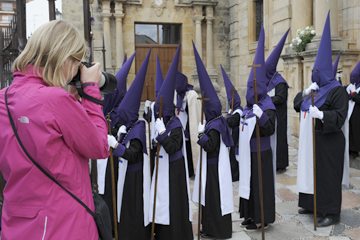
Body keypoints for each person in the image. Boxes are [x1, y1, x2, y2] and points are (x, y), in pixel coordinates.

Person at [0, 20, 109, 239]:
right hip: (64, 225)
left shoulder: (3, 99)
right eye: (76, 62)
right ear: (64, 59)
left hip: (18, 224)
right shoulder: (55, 100)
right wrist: (90, 90)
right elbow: (99, 146)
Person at [294, 12, 348, 227]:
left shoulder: (337, 91)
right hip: (313, 139)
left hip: (330, 142)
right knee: (311, 172)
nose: (314, 73)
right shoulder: (315, 90)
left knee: (327, 177)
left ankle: (331, 212)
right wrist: (305, 92)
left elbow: (340, 116)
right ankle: (310, 203)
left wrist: (322, 115)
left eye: (318, 70)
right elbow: (297, 104)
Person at [149, 46, 193, 240]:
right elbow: (155, 144)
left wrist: (161, 133)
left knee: (172, 205)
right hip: (162, 167)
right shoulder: (164, 121)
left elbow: (173, 146)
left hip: (174, 171)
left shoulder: (175, 124)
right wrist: (154, 139)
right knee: (160, 202)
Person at [107, 50, 151, 240]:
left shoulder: (139, 127)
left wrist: (116, 145)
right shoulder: (130, 125)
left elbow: (133, 154)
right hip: (126, 176)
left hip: (135, 178)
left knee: (134, 210)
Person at [192, 43, 234, 239]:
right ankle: (208, 227)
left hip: (214, 169)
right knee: (208, 199)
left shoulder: (215, 125)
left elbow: (211, 146)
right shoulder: (216, 121)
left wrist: (201, 136)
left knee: (214, 199)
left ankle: (217, 230)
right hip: (211, 168)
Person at [238, 26, 276, 231]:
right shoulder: (248, 106)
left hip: (261, 152)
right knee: (249, 183)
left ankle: (263, 217)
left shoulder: (267, 106)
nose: (251, 91)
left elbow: (270, 128)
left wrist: (261, 117)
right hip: (248, 152)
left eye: (254, 88)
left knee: (261, 186)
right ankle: (250, 214)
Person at [96, 52, 135, 235]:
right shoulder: (102, 109)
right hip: (101, 158)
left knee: (113, 193)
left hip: (115, 160)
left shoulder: (121, 112)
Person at [265, 29, 290, 172]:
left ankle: (280, 163)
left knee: (279, 139)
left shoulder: (280, 82)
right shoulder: (268, 81)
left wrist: (267, 99)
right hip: (271, 115)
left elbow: (280, 98)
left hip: (279, 116)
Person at [175, 72, 200, 178]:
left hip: (190, 126)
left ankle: (192, 170)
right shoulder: (177, 95)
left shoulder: (192, 95)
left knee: (190, 149)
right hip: (181, 125)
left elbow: (194, 112)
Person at [221, 65, 243, 182]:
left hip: (236, 138)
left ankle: (235, 175)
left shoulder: (239, 111)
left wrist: (225, 119)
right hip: (231, 137)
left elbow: (232, 121)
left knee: (234, 157)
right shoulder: (232, 110)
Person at [144, 55, 164, 174]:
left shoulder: (167, 106)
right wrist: (147, 110)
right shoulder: (152, 104)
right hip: (153, 137)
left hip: (161, 136)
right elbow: (148, 119)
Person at [347, 62, 360, 158]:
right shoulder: (352, 86)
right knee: (350, 129)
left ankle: (355, 150)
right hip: (351, 111)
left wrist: (354, 95)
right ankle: (350, 148)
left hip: (358, 113)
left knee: (356, 130)